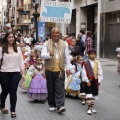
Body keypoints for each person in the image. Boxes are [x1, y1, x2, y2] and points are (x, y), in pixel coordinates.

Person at [41, 28, 71, 114]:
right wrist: (49, 54)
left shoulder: (64, 44)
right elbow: (42, 55)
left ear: (60, 34)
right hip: (49, 70)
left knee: (60, 88)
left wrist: (68, 68)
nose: (56, 35)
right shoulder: (46, 44)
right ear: (51, 34)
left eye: (58, 33)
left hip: (60, 70)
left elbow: (67, 57)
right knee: (51, 88)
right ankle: (52, 104)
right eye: (54, 33)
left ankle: (60, 105)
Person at [0, 32, 25, 118]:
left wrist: (23, 72)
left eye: (12, 37)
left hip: (15, 72)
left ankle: (13, 110)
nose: (11, 39)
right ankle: (2, 106)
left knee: (13, 91)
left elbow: (21, 61)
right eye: (9, 37)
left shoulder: (18, 49)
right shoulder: (1, 49)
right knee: (5, 91)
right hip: (4, 72)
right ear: (6, 38)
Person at [82, 49, 103, 115]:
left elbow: (100, 71)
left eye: (94, 54)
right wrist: (87, 80)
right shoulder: (86, 62)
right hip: (89, 81)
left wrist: (99, 80)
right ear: (88, 55)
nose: (93, 56)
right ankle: (88, 108)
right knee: (89, 94)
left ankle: (92, 107)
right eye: (91, 54)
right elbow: (84, 72)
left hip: (95, 80)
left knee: (94, 94)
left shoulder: (97, 62)